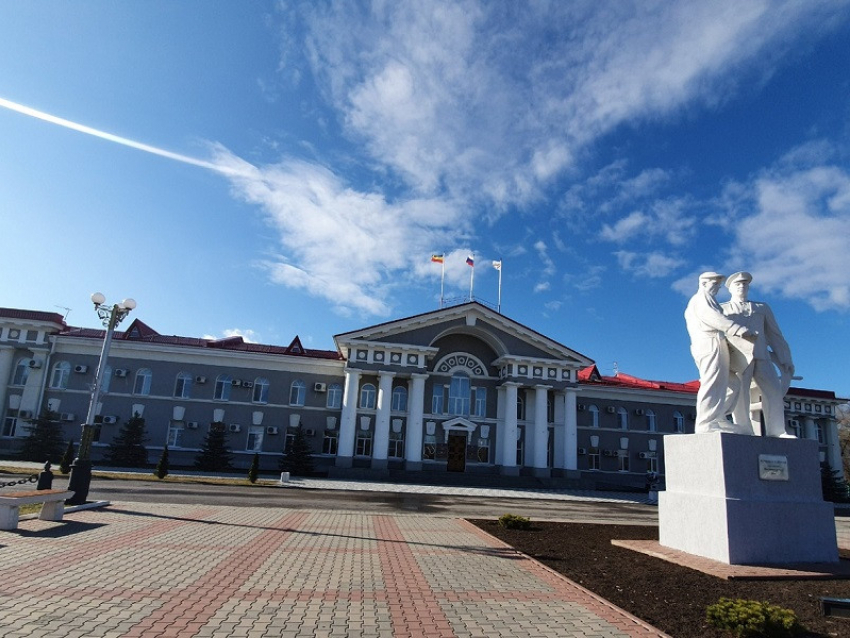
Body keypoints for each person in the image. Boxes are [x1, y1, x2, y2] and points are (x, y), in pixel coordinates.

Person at [721, 271, 795, 437]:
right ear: (730, 288)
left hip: (761, 355)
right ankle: (744, 429)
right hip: (738, 358)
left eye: (745, 284)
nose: (742, 286)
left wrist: (785, 358)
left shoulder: (762, 308)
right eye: (738, 284)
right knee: (741, 394)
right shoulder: (723, 309)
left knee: (774, 390)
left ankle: (776, 430)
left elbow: (774, 335)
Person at [684, 272, 755, 434]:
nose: (716, 288)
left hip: (718, 343)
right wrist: (737, 329)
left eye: (718, 285)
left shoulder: (709, 299)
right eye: (714, 284)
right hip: (709, 344)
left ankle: (718, 417)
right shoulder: (700, 299)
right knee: (712, 382)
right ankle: (706, 422)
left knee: (733, 384)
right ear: (703, 284)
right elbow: (713, 318)